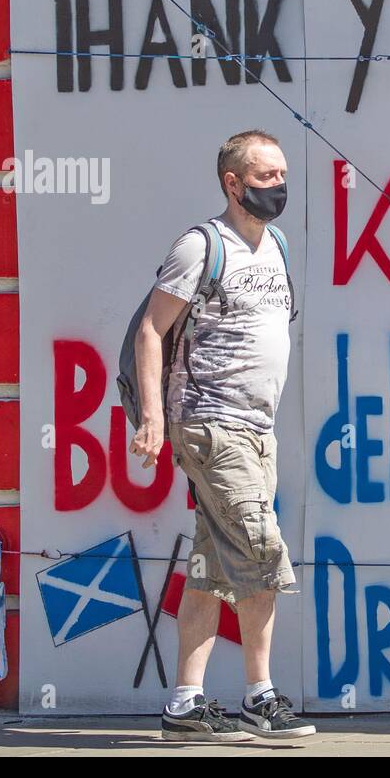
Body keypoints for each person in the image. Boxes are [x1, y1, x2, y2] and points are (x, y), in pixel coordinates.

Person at [129, 129, 315, 742]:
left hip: (258, 429)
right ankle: (260, 698)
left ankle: (185, 704)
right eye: (265, 178)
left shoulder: (278, 246)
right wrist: (154, 417)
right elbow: (152, 332)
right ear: (233, 184)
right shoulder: (200, 246)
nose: (278, 187)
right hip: (210, 425)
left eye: (282, 175)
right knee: (262, 556)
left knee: (212, 567)